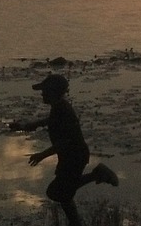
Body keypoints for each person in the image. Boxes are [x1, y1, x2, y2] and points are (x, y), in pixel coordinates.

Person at [10, 73, 118, 225]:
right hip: (69, 157)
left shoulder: (62, 109)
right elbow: (49, 121)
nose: (42, 93)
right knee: (64, 195)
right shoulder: (59, 107)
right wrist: (26, 126)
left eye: (45, 91)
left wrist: (41, 155)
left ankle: (97, 174)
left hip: (74, 157)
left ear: (53, 92)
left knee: (55, 192)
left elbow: (64, 142)